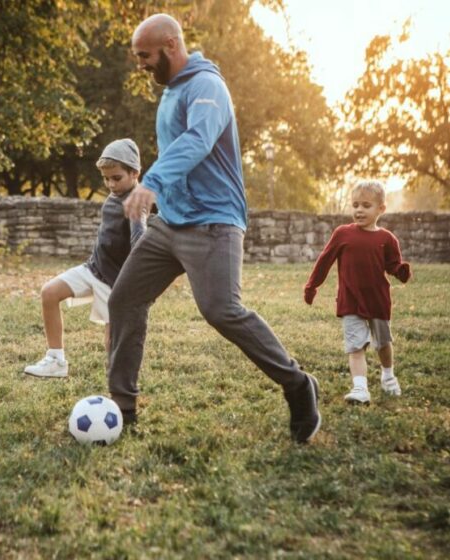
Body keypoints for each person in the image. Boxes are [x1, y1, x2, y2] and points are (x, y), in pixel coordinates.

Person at [107, 14, 321, 443]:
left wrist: (151, 183)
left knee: (221, 310)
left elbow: (197, 141)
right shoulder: (170, 93)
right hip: (171, 224)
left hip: (214, 223)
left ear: (171, 45)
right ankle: (122, 409)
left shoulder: (208, 86)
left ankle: (298, 385)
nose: (142, 65)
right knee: (124, 298)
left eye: (146, 56)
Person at [24, 139, 146, 378]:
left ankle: (118, 381)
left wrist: (135, 281)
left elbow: (140, 238)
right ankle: (55, 360)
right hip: (93, 268)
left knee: (113, 340)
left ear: (135, 173)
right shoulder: (115, 195)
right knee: (49, 292)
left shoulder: (136, 202)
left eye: (117, 178)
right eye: (106, 178)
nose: (111, 183)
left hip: (115, 283)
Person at [304, 180, 412, 404]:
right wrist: (312, 285)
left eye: (366, 205)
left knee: (382, 343)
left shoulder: (387, 239)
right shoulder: (342, 234)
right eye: (355, 205)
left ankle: (388, 375)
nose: (359, 210)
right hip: (350, 300)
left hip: (377, 301)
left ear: (381, 209)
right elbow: (324, 261)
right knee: (355, 345)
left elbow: (393, 265)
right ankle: (360, 388)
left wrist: (401, 271)